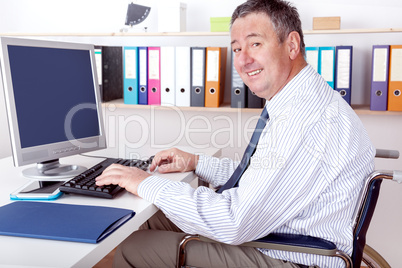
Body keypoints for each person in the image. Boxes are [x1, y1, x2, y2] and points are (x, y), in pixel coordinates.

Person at [96, 0, 375, 267]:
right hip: (274, 231)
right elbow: (266, 176)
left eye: (255, 43)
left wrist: (145, 182)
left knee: (135, 249)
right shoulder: (300, 100)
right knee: (149, 221)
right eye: (237, 49)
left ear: (291, 45)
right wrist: (197, 162)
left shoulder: (305, 117)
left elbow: (234, 222)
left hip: (290, 255)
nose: (243, 60)